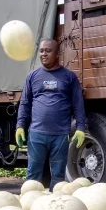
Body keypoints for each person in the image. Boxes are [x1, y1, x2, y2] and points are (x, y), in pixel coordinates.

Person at [16, 38, 87, 184]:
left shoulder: (69, 77)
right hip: (36, 134)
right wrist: (20, 126)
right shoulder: (32, 76)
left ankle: (56, 205)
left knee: (58, 177)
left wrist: (81, 128)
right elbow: (25, 103)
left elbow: (78, 104)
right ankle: (30, 203)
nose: (44, 54)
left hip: (60, 136)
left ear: (57, 53)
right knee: (32, 175)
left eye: (48, 51)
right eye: (41, 51)